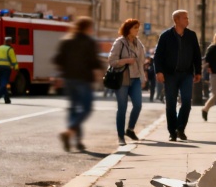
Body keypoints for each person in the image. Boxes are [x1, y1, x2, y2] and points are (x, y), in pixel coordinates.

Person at [53, 17, 102, 152]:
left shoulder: (66, 40)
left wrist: (60, 75)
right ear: (86, 28)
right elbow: (94, 61)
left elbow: (58, 59)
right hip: (84, 79)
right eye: (91, 27)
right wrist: (98, 75)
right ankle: (69, 132)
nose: (92, 30)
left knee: (74, 108)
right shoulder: (89, 42)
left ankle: (77, 141)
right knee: (86, 108)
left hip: (69, 79)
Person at [153, 10, 202, 141]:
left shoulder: (191, 35)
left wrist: (198, 72)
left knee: (186, 102)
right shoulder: (165, 36)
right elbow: (158, 56)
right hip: (170, 75)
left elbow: (197, 55)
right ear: (177, 20)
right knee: (171, 104)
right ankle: (172, 132)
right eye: (185, 18)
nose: (188, 20)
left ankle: (180, 128)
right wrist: (159, 71)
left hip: (186, 74)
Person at [108, 18, 147, 146]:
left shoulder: (138, 43)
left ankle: (129, 129)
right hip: (122, 79)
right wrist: (125, 61)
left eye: (138, 28)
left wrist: (143, 77)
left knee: (138, 105)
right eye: (135, 27)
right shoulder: (120, 42)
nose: (137, 30)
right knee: (122, 108)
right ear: (128, 28)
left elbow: (141, 63)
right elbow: (112, 61)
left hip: (135, 79)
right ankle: (120, 137)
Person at [0, 36, 18, 104]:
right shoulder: (10, 49)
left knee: (2, 83)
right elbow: (13, 59)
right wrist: (16, 67)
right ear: (9, 42)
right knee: (4, 83)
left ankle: (7, 99)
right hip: (6, 68)